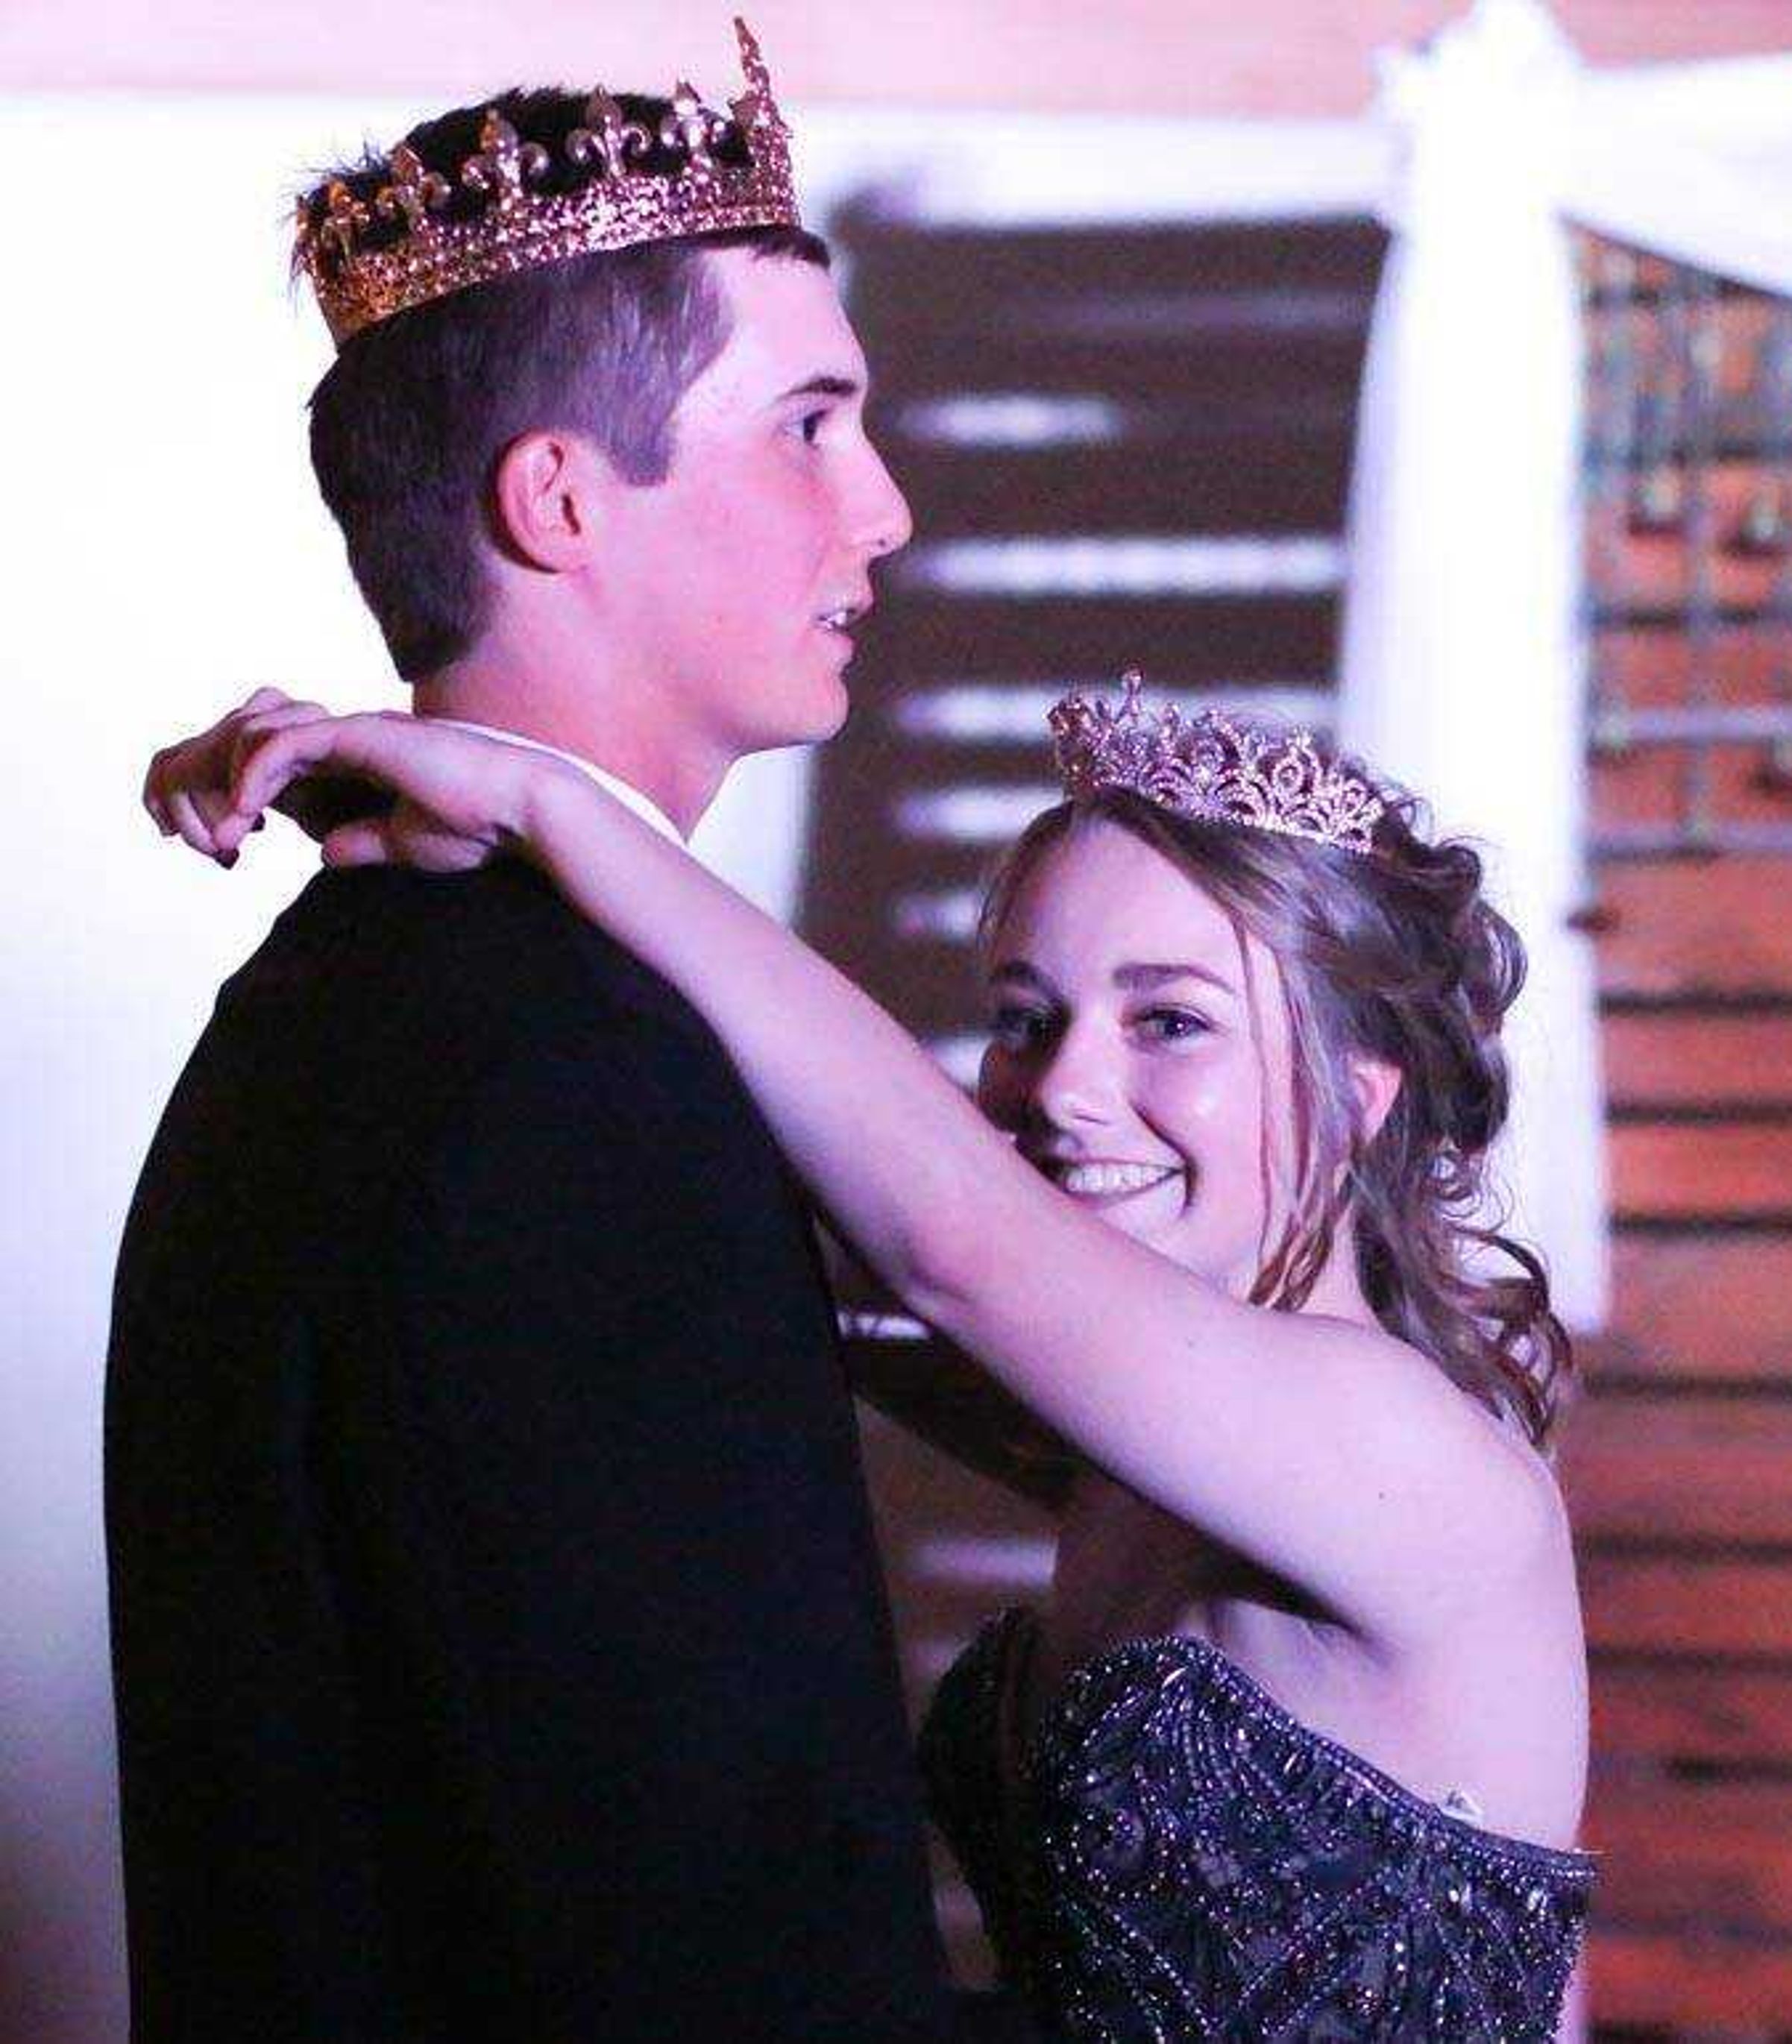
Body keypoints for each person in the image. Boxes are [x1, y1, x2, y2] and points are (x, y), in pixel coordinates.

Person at [146, 678, 1600, 2038]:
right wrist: (482, 913)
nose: (1065, 1090)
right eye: (1027, 1020)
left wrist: (548, 804)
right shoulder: (1147, 1442)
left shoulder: (1397, 1447)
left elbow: (949, 1243)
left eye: (1169, 1021)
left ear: (1359, 1096)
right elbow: (739, 1219)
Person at [106, 28, 990, 2041]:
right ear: (567, 497)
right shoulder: (569, 1082)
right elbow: (712, 1943)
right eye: (810, 424)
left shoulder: (353, 1002)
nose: (887, 507)